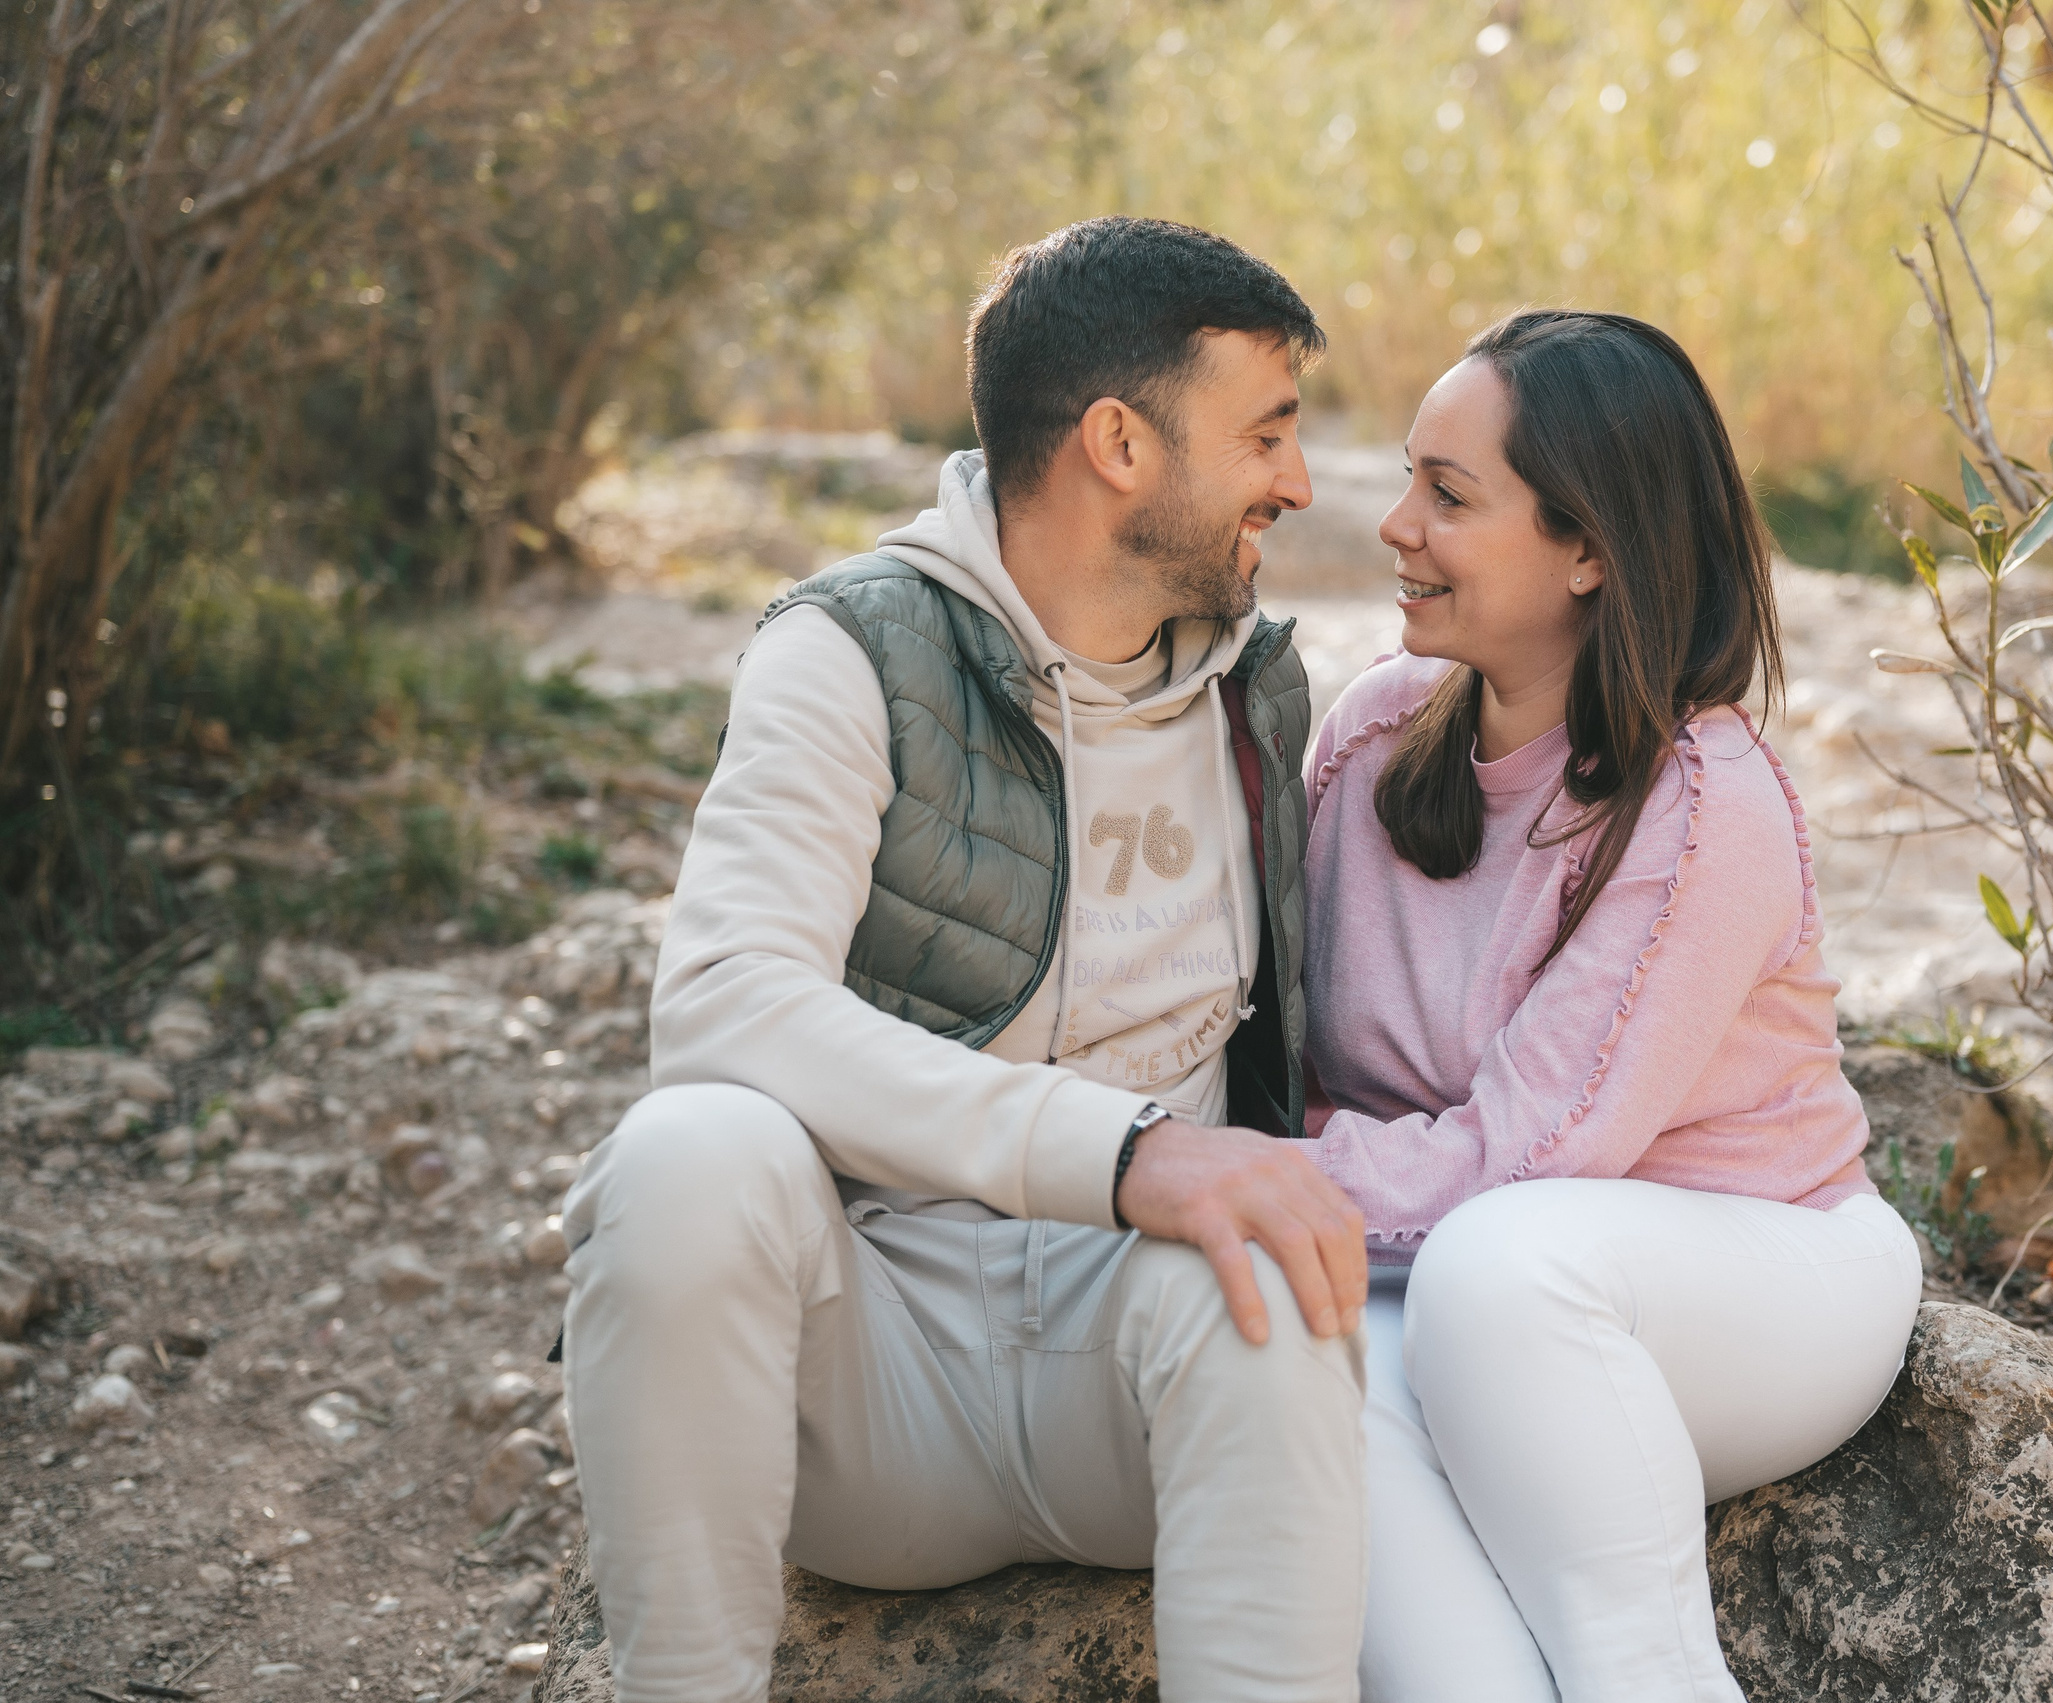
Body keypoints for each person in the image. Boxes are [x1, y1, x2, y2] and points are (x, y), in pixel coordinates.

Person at [560, 217, 1372, 1703]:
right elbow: (725, 1007)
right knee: (685, 1158)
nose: (1299, 484)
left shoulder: (1257, 687)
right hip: (871, 1384)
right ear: (1119, 444)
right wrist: (1126, 1153)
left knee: (1268, 1272)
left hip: (1141, 1382)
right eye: (1265, 434)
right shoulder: (849, 651)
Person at [1301, 309, 1923, 1702]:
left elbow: (1533, 1157)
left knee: (1500, 1271)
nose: (1397, 526)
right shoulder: (1372, 737)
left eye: (1449, 496)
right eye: (1408, 481)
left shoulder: (1705, 804)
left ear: (1588, 549)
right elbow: (1299, 1066)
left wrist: (1245, 1180)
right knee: (1298, 1367)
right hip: (1438, 1269)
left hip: (1755, 1274)